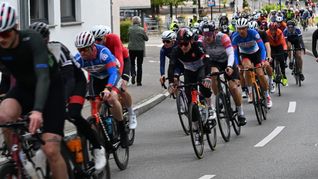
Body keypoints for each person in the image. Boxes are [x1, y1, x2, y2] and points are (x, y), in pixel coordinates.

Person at [0, 2, 67, 178]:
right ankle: (19, 160)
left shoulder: (32, 39)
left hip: (50, 87)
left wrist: (37, 111)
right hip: (24, 87)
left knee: (51, 150)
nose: (1, 39)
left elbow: (43, 76)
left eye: (5, 33)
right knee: (4, 116)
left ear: (15, 28)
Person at [29, 22, 107, 171]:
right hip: (51, 86)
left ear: (47, 40)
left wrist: (62, 102)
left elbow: (69, 79)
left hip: (75, 82)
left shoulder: (57, 49)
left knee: (73, 114)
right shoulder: (29, 54)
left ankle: (98, 148)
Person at [74, 31, 129, 148]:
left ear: (92, 46)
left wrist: (108, 88)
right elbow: (70, 76)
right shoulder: (78, 58)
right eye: (79, 50)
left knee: (112, 99)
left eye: (85, 49)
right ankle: (101, 134)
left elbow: (113, 72)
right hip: (96, 78)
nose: (82, 52)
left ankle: (122, 129)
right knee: (95, 104)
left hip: (112, 75)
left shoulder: (103, 53)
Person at [168, 28, 214, 145]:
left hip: (201, 68)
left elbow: (208, 61)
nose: (183, 47)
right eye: (180, 44)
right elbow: (172, 66)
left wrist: (208, 76)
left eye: (185, 44)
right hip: (189, 70)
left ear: (191, 42)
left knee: (203, 83)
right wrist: (172, 83)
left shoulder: (198, 46)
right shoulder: (176, 51)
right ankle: (196, 130)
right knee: (190, 102)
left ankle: (210, 107)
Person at [91, 25, 137, 129]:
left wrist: (122, 78)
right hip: (107, 66)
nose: (96, 42)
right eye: (94, 40)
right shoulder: (94, 47)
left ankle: (131, 113)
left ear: (105, 37)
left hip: (122, 61)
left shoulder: (113, 39)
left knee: (122, 89)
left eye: (99, 39)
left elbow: (119, 59)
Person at [201, 22, 247, 126]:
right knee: (213, 74)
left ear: (214, 33)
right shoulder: (202, 40)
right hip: (215, 62)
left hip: (227, 61)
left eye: (209, 35)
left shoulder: (223, 37)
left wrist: (230, 66)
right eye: (205, 35)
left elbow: (231, 53)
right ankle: (219, 98)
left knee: (234, 87)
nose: (207, 37)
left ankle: (240, 112)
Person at [232, 18, 273, 108]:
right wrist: (238, 64)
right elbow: (235, 52)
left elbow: (262, 47)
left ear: (247, 28)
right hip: (245, 54)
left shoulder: (253, 33)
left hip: (257, 53)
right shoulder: (235, 37)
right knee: (246, 68)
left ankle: (267, 95)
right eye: (239, 28)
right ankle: (250, 91)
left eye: (243, 28)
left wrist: (263, 60)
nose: (241, 31)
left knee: (260, 74)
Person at [128, 16, 149, 86]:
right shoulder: (142, 29)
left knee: (132, 63)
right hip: (140, 49)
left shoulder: (130, 29)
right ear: (139, 22)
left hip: (131, 49)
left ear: (133, 22)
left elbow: (129, 36)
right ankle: (139, 82)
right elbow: (146, 39)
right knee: (139, 65)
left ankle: (133, 74)